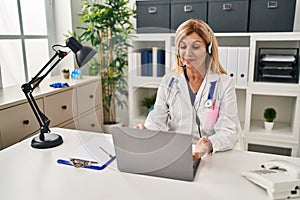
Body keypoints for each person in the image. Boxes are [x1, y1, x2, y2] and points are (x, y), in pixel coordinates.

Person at [137, 19, 239, 160]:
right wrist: (147, 131)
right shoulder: (169, 81)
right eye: (183, 46)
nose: (188, 53)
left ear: (208, 50)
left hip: (210, 157)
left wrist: (209, 144)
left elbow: (229, 131)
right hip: (174, 153)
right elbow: (158, 116)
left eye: (196, 47)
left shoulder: (224, 83)